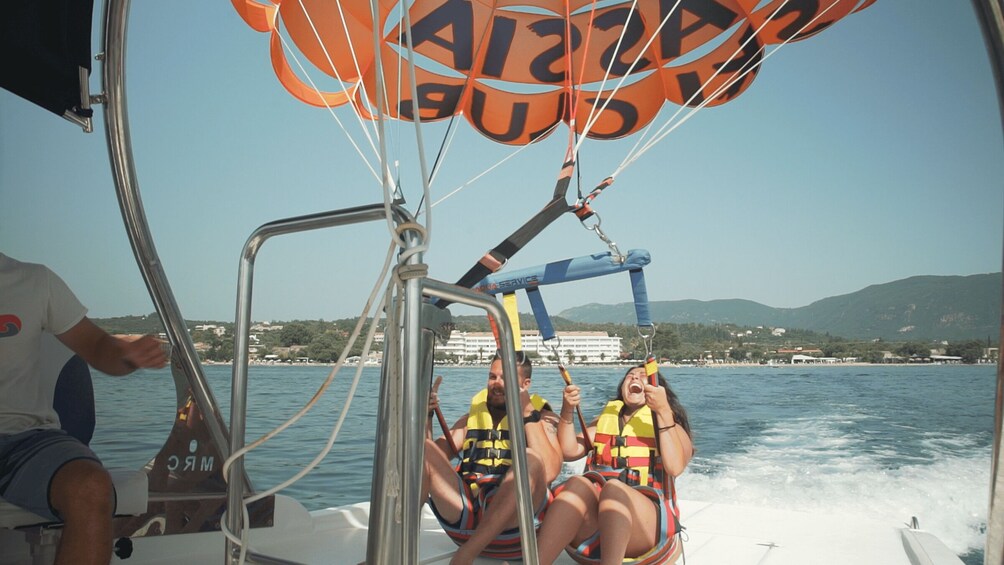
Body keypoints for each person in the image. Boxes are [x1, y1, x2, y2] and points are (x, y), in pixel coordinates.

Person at [0, 253, 168, 565]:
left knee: (89, 486)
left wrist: (127, 354)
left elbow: (97, 347)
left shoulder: (36, 281)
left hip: (26, 440)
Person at [536, 365, 694, 565]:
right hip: (595, 535)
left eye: (643, 376)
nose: (635, 378)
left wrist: (663, 410)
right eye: (630, 376)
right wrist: (567, 410)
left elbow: (675, 466)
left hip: (648, 534)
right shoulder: (603, 422)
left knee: (613, 489)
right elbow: (569, 451)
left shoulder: (671, 428)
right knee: (577, 483)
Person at [422, 351, 563, 565]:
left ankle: (466, 556)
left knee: (531, 458)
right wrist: (427, 415)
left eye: (505, 378)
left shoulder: (543, 419)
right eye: (492, 377)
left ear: (525, 384)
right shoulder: (470, 420)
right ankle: (396, 547)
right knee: (423, 448)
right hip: (466, 524)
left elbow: (551, 471)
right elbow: (428, 464)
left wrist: (526, 414)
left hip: (516, 534)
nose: (497, 384)